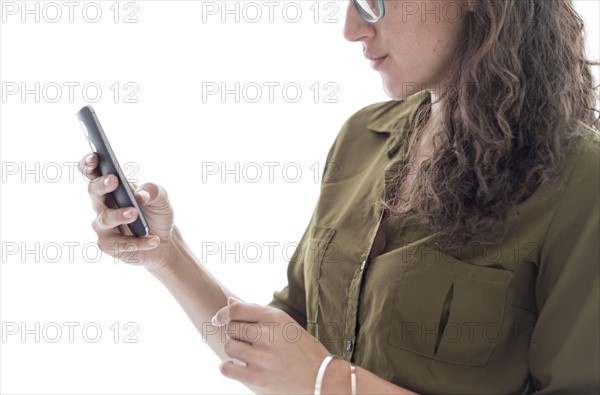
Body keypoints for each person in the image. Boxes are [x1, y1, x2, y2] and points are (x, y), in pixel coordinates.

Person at [78, 0, 600, 393]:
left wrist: (326, 380)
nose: (351, 28)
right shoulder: (362, 138)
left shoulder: (579, 178)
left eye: (374, 0)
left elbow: (309, 372)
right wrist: (166, 254)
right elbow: (280, 347)